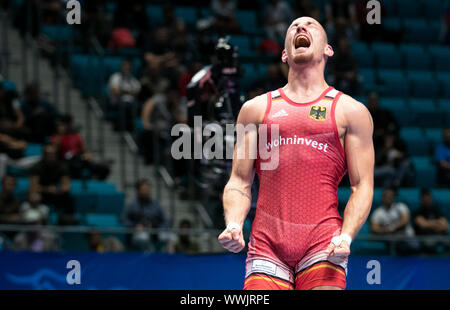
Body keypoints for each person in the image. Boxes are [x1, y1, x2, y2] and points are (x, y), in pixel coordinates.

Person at [218, 17, 374, 290]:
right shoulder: (255, 110)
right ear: (284, 54)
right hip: (267, 245)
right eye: (293, 27)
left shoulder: (351, 112)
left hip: (324, 243)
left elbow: (362, 185)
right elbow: (239, 180)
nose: (301, 28)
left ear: (328, 49)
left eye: (310, 25)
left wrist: (347, 236)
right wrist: (233, 222)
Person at [51, 114, 110, 180]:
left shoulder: (76, 135)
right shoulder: (56, 137)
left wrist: (87, 155)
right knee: (73, 166)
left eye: (69, 123)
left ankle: (96, 185)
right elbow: (53, 151)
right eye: (65, 124)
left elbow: (83, 149)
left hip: (78, 159)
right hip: (65, 162)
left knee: (104, 169)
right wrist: (60, 134)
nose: (68, 126)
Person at [29, 144, 76, 225]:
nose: (51, 156)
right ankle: (38, 220)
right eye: (48, 154)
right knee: (34, 196)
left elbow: (67, 186)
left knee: (69, 196)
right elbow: (33, 187)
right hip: (42, 194)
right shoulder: (36, 167)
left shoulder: (62, 166)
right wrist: (47, 189)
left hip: (56, 193)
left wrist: (58, 190)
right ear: (44, 155)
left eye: (53, 154)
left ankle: (68, 219)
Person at [122, 179, 169, 251]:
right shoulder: (131, 205)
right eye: (143, 189)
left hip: (155, 231)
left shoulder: (156, 205)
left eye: (147, 189)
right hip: (138, 232)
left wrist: (160, 228)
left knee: (169, 237)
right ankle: (151, 258)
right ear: (138, 191)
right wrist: (134, 226)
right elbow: (123, 219)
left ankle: (165, 259)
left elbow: (165, 220)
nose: (146, 192)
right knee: (143, 238)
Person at [370, 187, 418, 255]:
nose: (389, 198)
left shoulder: (401, 206)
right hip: (389, 240)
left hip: (406, 237)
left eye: (391, 196)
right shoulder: (378, 212)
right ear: (382, 197)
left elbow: (405, 220)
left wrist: (391, 228)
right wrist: (388, 230)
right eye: (387, 196)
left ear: (394, 197)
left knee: (414, 246)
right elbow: (374, 228)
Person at [413, 189, 448, 253]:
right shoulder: (417, 212)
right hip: (424, 238)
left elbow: (445, 226)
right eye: (425, 199)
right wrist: (437, 222)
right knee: (429, 244)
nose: (427, 200)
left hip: (439, 236)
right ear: (421, 199)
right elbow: (423, 225)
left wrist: (428, 223)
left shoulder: (437, 210)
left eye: (429, 198)